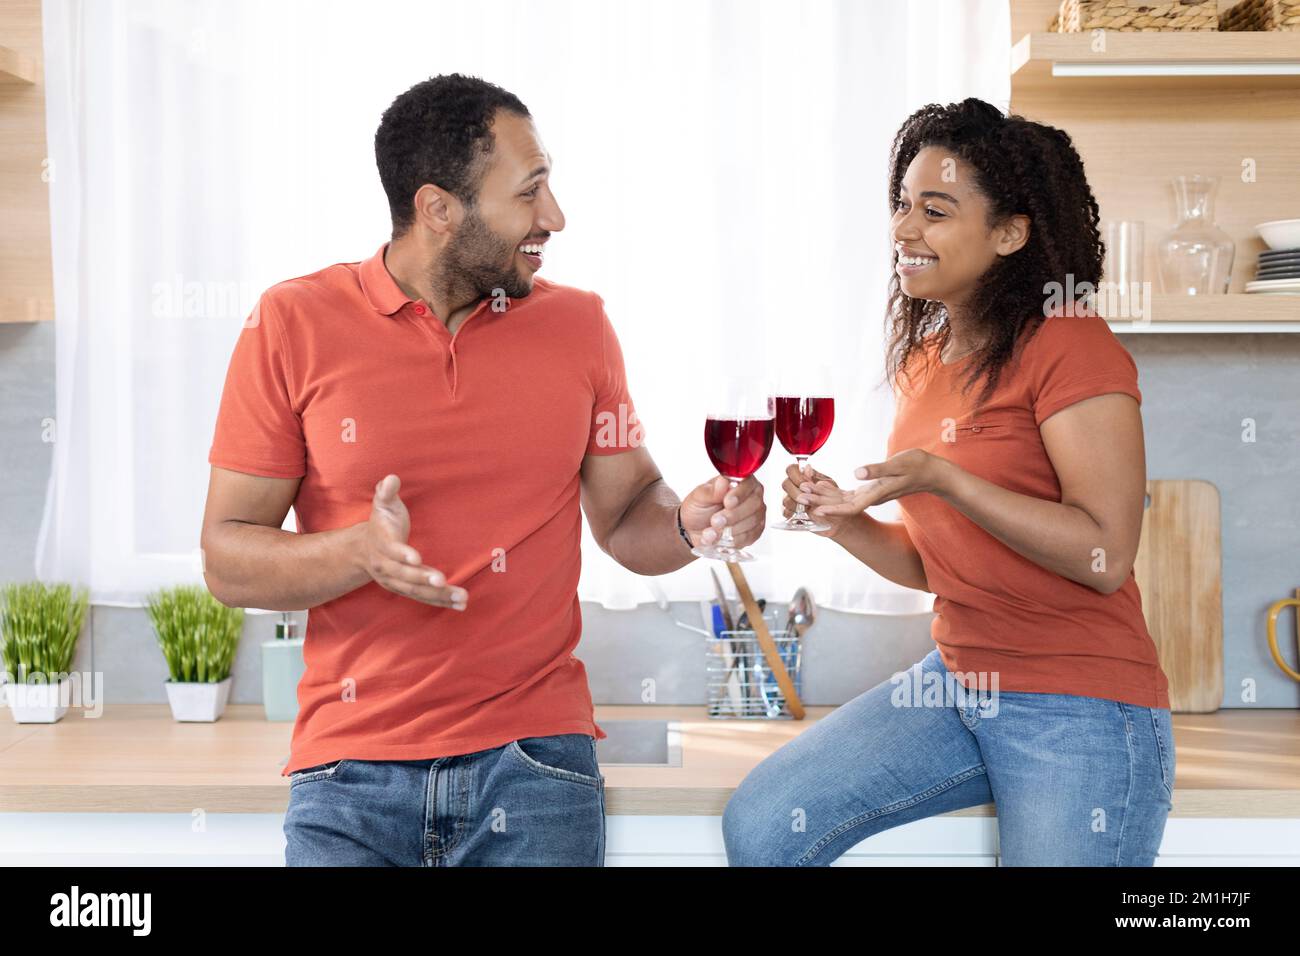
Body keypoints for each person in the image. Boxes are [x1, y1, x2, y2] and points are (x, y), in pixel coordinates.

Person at [200, 73, 767, 866]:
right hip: (349, 774)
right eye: (529, 192)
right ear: (438, 209)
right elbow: (228, 557)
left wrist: (689, 523)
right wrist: (356, 552)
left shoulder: (579, 325)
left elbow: (629, 510)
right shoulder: (291, 322)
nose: (555, 217)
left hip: (533, 765)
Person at [722, 98, 1175, 867]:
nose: (903, 231)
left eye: (934, 211)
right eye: (902, 206)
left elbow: (1106, 552)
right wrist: (843, 521)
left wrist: (945, 478)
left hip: (1080, 702)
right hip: (956, 684)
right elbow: (940, 563)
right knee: (767, 824)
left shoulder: (1070, 343)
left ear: (1009, 233)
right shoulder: (925, 362)